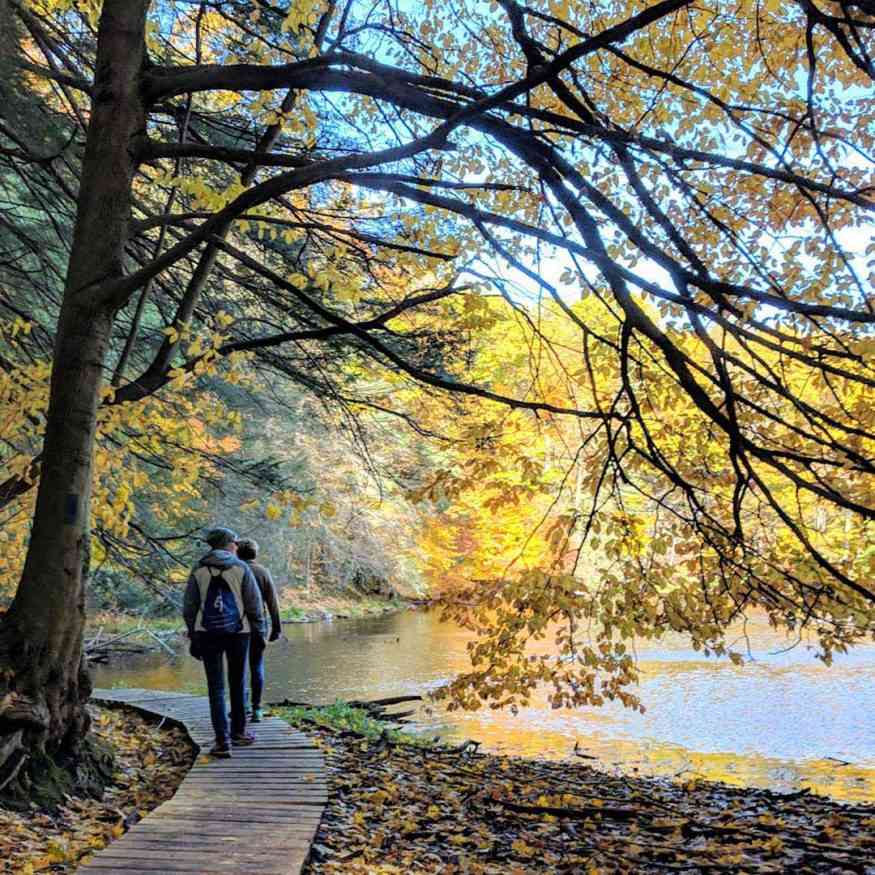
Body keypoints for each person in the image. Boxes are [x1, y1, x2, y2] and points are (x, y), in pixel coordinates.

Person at [183, 526, 265, 757]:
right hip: (240, 633)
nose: (237, 545)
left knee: (216, 688)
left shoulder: (198, 569)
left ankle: (222, 741)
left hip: (207, 633)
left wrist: (193, 634)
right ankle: (239, 733)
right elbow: (254, 605)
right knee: (238, 682)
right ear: (229, 544)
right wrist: (259, 633)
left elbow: (189, 607)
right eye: (235, 542)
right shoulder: (241, 567)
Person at [235, 538, 282, 722]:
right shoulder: (262, 572)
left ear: (237, 552)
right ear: (255, 553)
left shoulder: (233, 571)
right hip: (258, 626)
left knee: (237, 668)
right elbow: (272, 602)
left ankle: (240, 706)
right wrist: (276, 627)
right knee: (256, 666)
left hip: (235, 627)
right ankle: (256, 709)